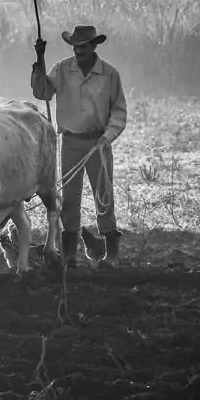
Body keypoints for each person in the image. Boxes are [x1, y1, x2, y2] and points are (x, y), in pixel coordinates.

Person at [31, 24, 128, 269]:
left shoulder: (109, 74)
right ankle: (70, 256)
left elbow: (118, 111)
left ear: (94, 46)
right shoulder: (62, 69)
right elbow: (42, 92)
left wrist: (108, 136)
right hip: (71, 142)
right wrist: (39, 59)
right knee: (70, 198)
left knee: (103, 196)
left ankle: (112, 256)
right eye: (75, 46)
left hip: (99, 142)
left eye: (84, 46)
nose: (79, 50)